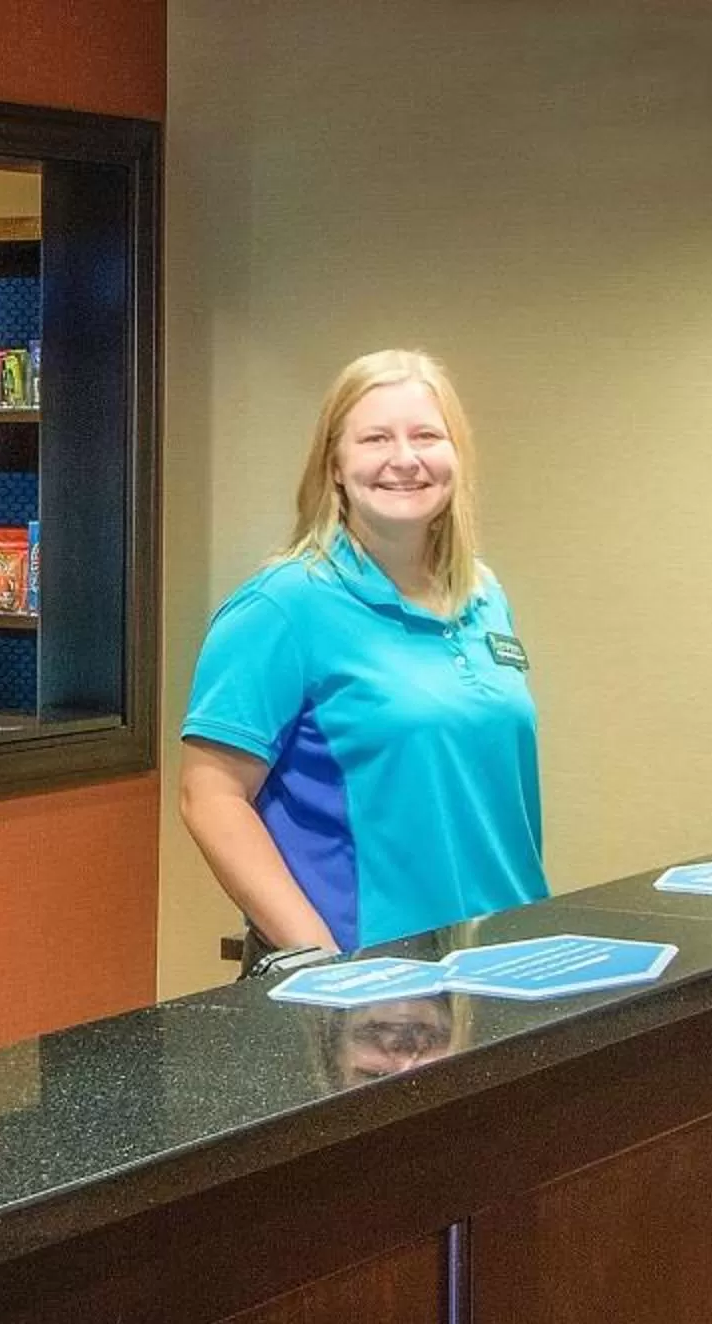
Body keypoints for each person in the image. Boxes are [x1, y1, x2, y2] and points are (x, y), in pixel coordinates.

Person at [179, 349, 546, 977]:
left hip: (501, 960)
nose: (405, 458)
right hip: (368, 979)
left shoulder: (483, 596)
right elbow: (209, 796)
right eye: (376, 438)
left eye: (427, 435)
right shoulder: (283, 606)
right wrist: (319, 959)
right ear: (336, 467)